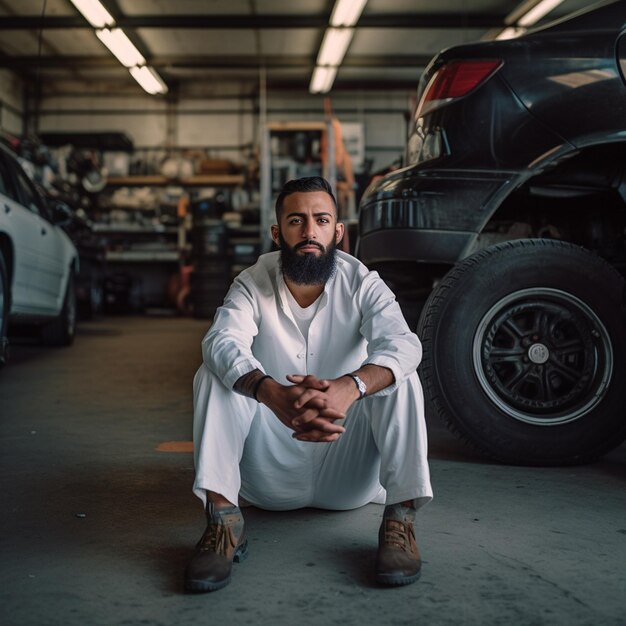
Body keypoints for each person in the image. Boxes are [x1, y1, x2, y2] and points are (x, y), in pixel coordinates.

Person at [185, 176, 433, 593]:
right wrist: (269, 392)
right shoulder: (252, 281)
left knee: (398, 375)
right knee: (214, 371)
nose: (309, 231)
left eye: (321, 220)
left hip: (348, 470)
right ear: (277, 232)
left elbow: (403, 344)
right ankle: (224, 522)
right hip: (268, 475)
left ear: (338, 232)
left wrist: (350, 387)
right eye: (296, 220)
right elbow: (221, 341)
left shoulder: (361, 281)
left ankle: (400, 522)